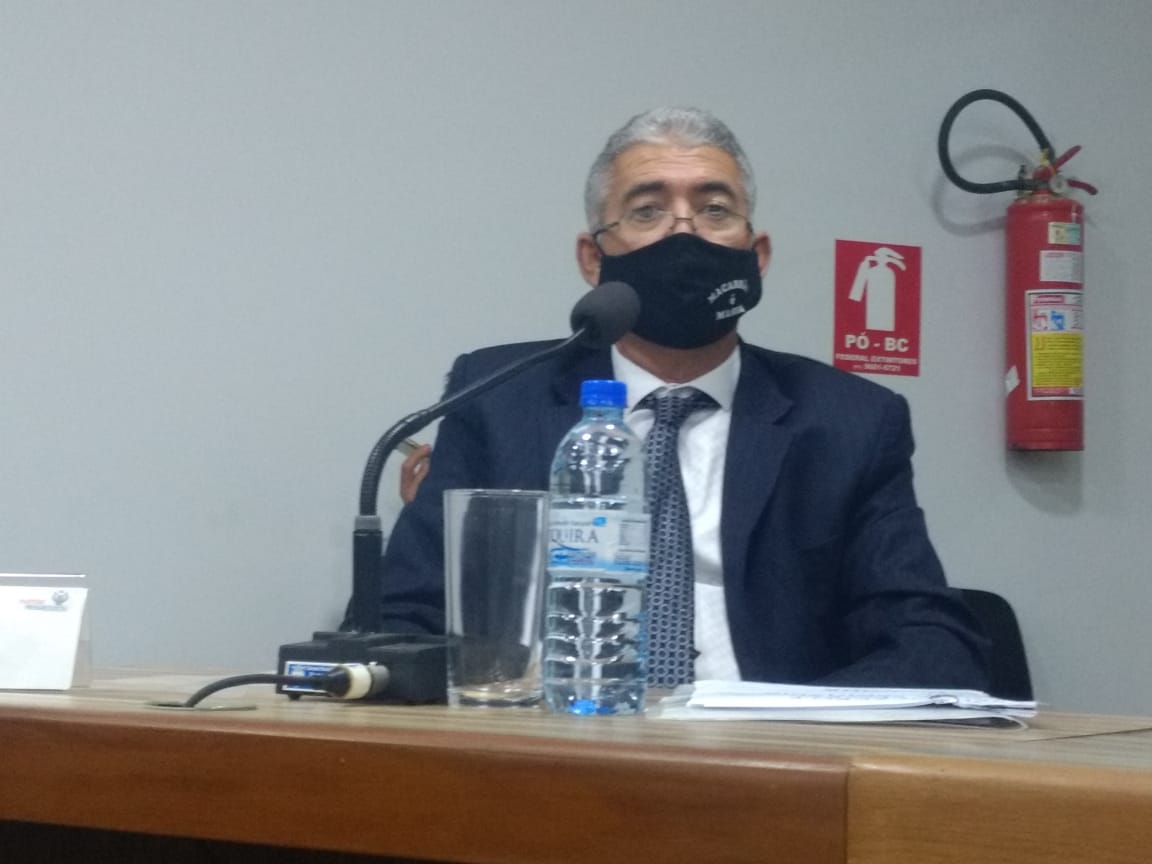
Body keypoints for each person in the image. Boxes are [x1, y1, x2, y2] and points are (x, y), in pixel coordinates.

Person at [378, 107, 989, 689]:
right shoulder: (500, 397)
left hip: (767, 747)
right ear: (593, 259)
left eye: (714, 209)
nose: (684, 231)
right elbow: (401, 618)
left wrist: (792, 731)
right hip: (553, 735)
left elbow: (930, 643)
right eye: (647, 211)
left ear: (757, 256)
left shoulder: (849, 421)